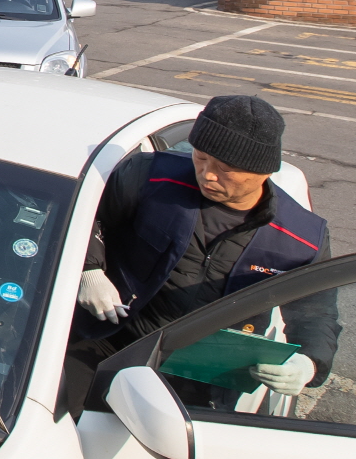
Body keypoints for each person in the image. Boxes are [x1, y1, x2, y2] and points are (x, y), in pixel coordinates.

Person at [64, 95, 339, 415]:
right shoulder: (150, 178)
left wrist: (308, 363)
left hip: (203, 379)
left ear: (262, 170)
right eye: (201, 157)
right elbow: (87, 215)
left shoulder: (301, 238)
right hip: (106, 344)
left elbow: (316, 311)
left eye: (225, 168)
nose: (207, 174)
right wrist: (89, 269)